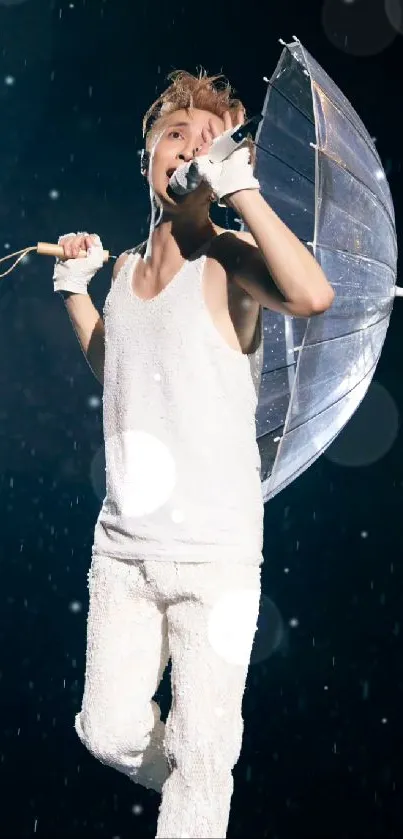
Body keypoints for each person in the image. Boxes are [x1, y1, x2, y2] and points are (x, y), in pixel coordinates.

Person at [53, 70, 334, 838]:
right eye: (176, 133)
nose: (190, 147)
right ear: (147, 153)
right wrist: (77, 290)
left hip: (215, 557)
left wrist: (241, 191)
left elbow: (311, 297)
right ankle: (201, 782)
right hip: (124, 550)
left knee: (203, 753)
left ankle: (203, 784)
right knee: (107, 730)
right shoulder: (120, 275)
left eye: (209, 141)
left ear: (220, 167)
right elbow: (118, 369)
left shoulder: (231, 259)